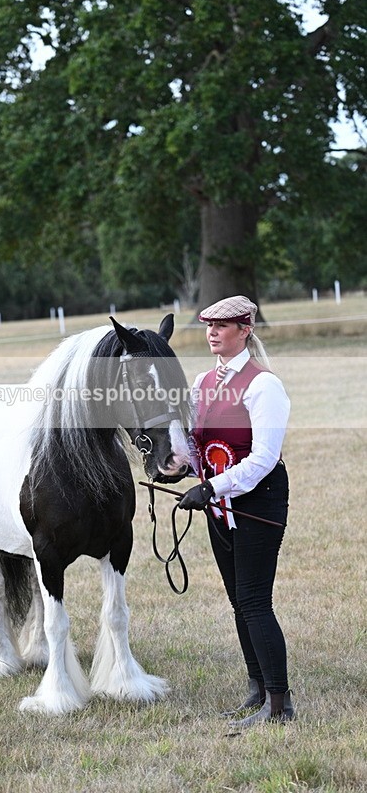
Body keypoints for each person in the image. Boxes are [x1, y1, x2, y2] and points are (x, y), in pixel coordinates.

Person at [178, 295, 294, 728]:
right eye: (209, 325)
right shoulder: (202, 381)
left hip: (257, 502)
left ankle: (280, 705)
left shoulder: (264, 385)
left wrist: (211, 486)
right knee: (236, 601)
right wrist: (180, 467)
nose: (212, 332)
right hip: (219, 502)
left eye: (222, 326)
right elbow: (197, 445)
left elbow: (263, 458)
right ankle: (256, 688)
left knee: (253, 600)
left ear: (244, 330)